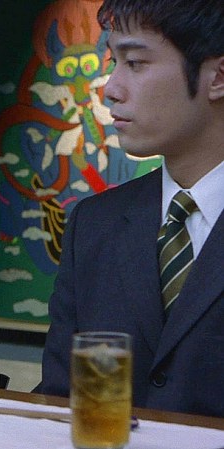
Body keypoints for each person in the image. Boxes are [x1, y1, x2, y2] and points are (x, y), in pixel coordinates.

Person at [40, 0, 224, 416]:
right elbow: (61, 397)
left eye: (135, 63)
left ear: (217, 78)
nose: (110, 89)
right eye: (113, 62)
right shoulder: (94, 223)